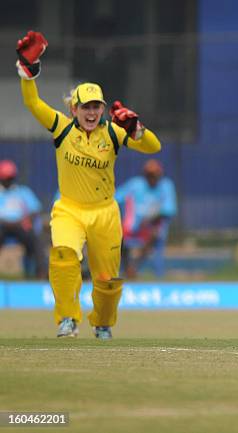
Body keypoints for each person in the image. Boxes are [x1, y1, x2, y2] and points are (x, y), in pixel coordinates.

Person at [17, 31, 161, 339]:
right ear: (74, 109)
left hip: (105, 213)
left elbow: (153, 147)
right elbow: (32, 102)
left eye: (97, 107)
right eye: (86, 107)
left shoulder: (112, 133)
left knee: (107, 279)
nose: (92, 112)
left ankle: (103, 323)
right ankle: (67, 319)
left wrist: (136, 128)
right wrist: (28, 71)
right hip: (69, 209)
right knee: (64, 258)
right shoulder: (60, 127)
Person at [116, 159, 177, 278]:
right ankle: (128, 269)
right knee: (118, 234)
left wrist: (150, 220)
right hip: (132, 227)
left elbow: (169, 209)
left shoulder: (165, 186)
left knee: (155, 234)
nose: (152, 178)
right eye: (149, 175)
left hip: (151, 228)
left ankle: (133, 268)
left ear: (160, 175)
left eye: (154, 175)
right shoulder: (136, 184)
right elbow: (117, 198)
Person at [0, 159, 46, 278]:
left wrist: (27, 219)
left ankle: (41, 274)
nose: (8, 181)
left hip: (21, 225)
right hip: (2, 225)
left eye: (10, 178)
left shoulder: (22, 191)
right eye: (5, 178)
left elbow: (35, 210)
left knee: (36, 240)